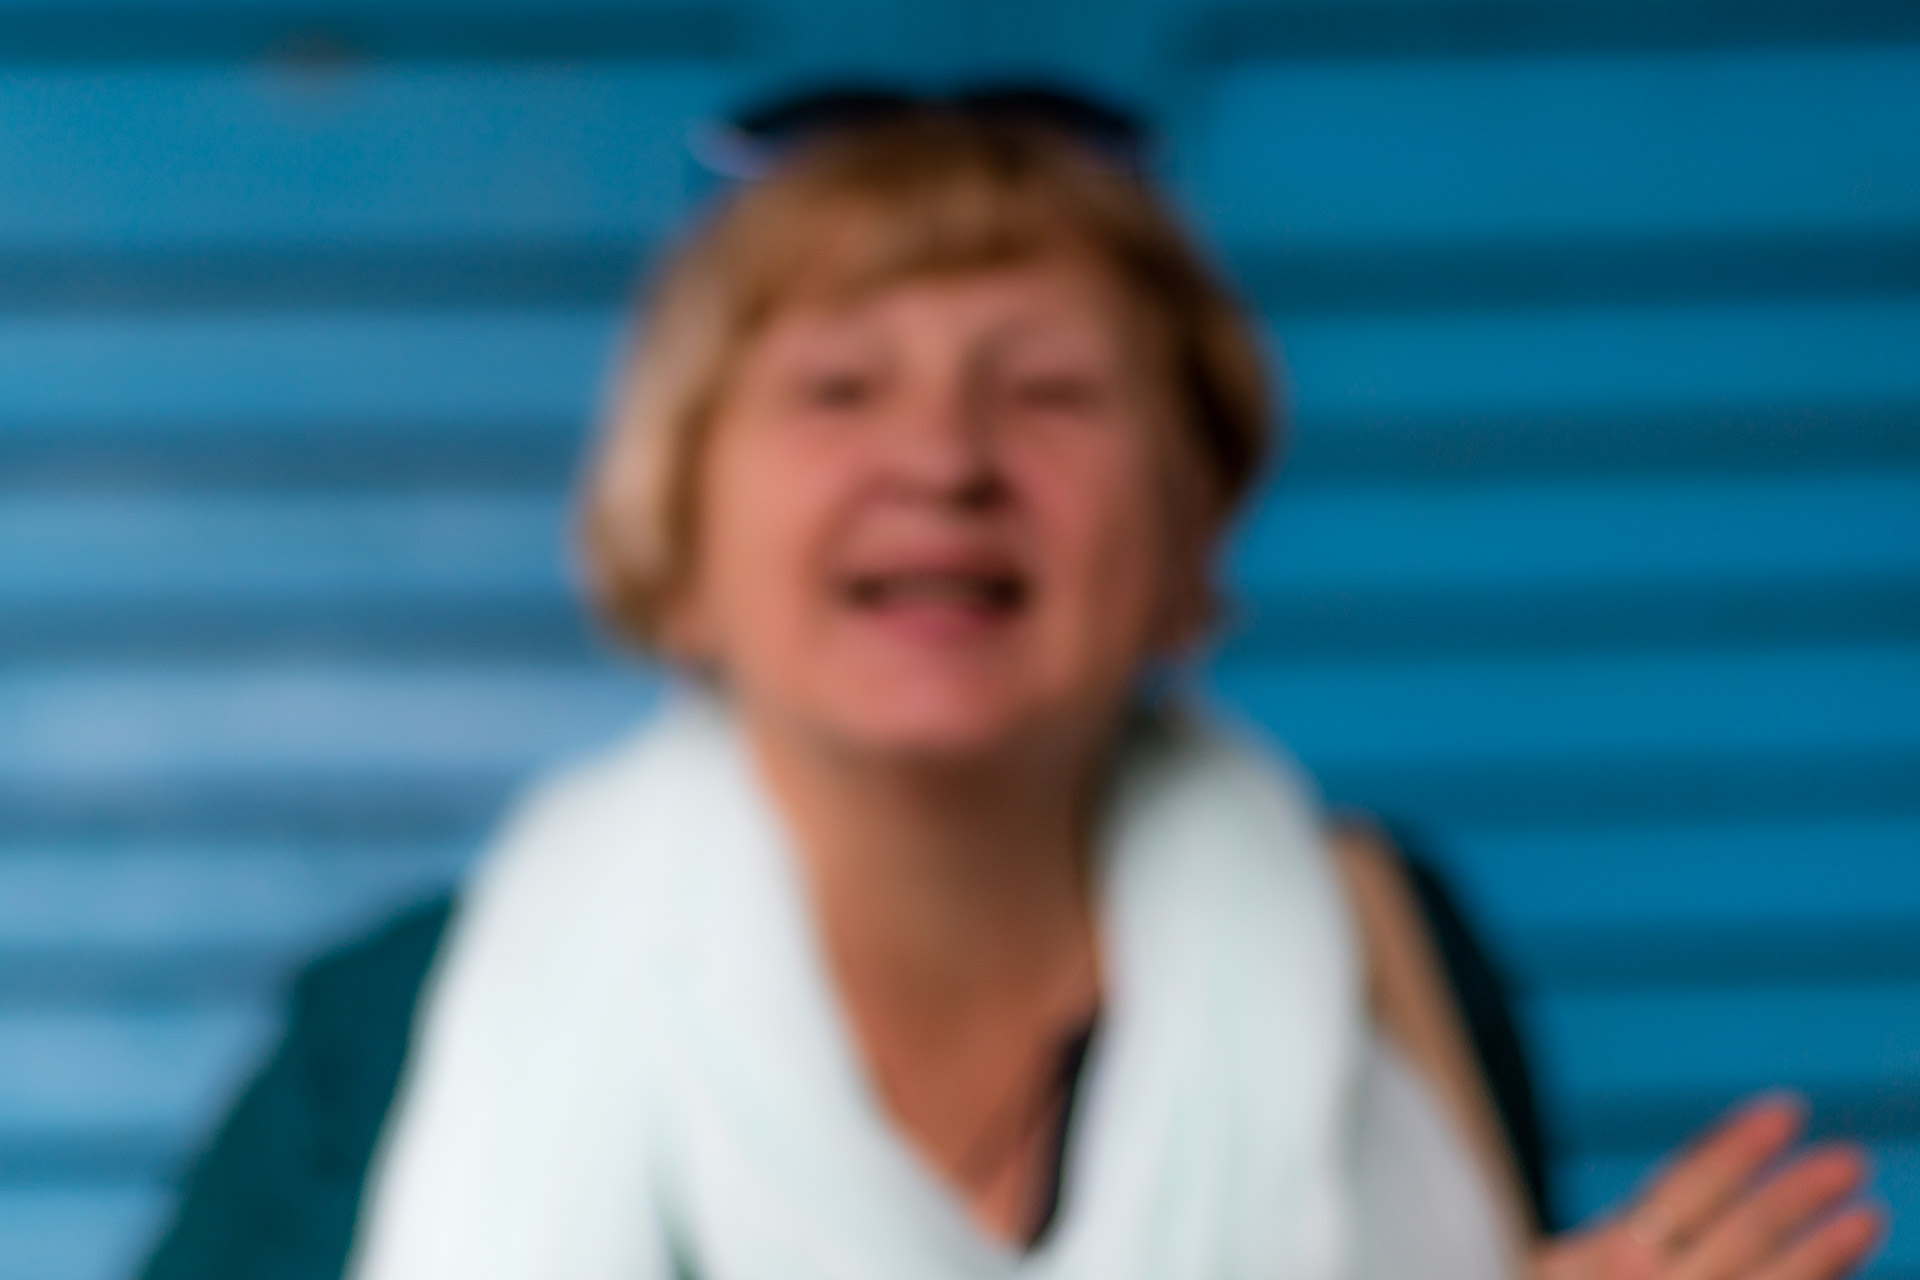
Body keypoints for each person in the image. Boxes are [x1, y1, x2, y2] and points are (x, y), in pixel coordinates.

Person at [144, 92, 1883, 1280]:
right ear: (674, 538)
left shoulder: (1387, 959)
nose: (945, 461)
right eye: (838, 389)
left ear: (1193, 537)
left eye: (1050, 391)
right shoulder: (392, 1039)